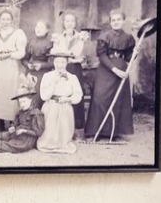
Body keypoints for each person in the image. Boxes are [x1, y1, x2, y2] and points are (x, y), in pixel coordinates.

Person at [85, 8, 136, 141]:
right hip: (106, 70)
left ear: (123, 21)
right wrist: (115, 70)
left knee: (118, 100)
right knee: (99, 98)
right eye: (113, 20)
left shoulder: (129, 38)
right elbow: (102, 56)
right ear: (110, 22)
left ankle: (114, 132)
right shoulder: (104, 37)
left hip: (122, 70)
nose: (116, 22)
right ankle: (95, 131)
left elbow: (128, 57)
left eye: (118, 19)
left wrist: (135, 53)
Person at [0, 8, 27, 128]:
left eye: (8, 19)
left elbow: (21, 53)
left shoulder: (18, 33)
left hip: (11, 62)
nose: (5, 22)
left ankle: (11, 120)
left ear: (12, 21)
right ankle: (0, 121)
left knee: (10, 91)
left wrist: (9, 55)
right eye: (3, 19)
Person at [37, 50, 83, 154]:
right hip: (51, 106)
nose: (59, 65)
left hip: (65, 106)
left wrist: (68, 99)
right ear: (53, 62)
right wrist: (54, 82)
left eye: (62, 62)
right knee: (49, 132)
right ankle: (48, 143)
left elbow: (78, 94)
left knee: (64, 130)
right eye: (57, 62)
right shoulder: (47, 76)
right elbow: (44, 96)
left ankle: (63, 142)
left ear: (67, 63)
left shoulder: (72, 77)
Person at [0, 77, 44, 153]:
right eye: (20, 102)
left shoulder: (36, 113)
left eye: (24, 102)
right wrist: (12, 127)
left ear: (31, 100)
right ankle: (2, 143)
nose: (22, 104)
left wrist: (24, 131)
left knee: (1, 146)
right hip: (15, 134)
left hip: (26, 139)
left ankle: (4, 145)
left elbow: (38, 132)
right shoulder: (20, 112)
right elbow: (15, 124)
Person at [52, 11, 88, 130]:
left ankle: (77, 127)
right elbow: (56, 52)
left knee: (75, 93)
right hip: (61, 68)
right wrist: (71, 56)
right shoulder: (58, 37)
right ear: (63, 22)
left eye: (72, 21)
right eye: (67, 21)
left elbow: (78, 53)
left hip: (75, 68)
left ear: (75, 23)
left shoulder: (81, 37)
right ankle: (61, 126)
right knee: (61, 93)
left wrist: (68, 56)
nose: (69, 23)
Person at [23, 20, 53, 108]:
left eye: (41, 27)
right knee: (29, 94)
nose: (38, 29)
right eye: (37, 27)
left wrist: (42, 66)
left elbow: (52, 62)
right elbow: (24, 59)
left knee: (39, 95)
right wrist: (28, 65)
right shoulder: (30, 42)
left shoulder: (50, 43)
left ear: (47, 30)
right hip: (30, 72)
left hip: (43, 74)